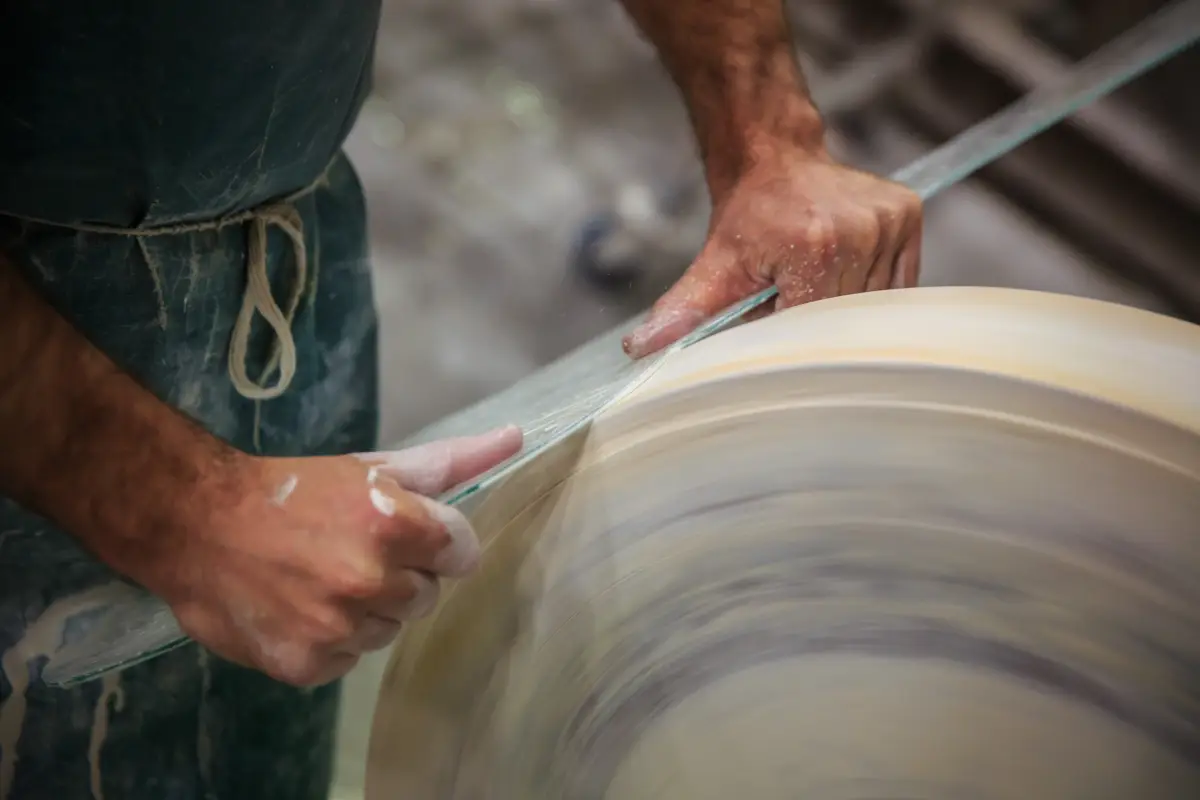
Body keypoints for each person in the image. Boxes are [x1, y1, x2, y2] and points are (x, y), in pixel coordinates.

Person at [0, 1, 922, 797]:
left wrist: (768, 136)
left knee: (276, 709)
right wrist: (184, 508)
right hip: (38, 349)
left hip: (292, 231)